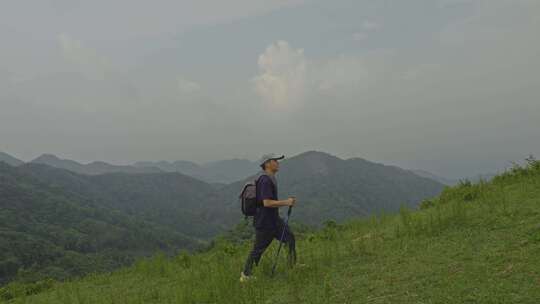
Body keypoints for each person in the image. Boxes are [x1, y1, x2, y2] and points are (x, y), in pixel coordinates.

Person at [240, 154, 297, 282]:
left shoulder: (269, 178)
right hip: (265, 222)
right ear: (267, 164)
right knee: (258, 249)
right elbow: (266, 202)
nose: (278, 163)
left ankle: (292, 266)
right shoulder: (265, 180)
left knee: (290, 238)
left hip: (274, 220)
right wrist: (286, 202)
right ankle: (246, 275)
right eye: (275, 160)